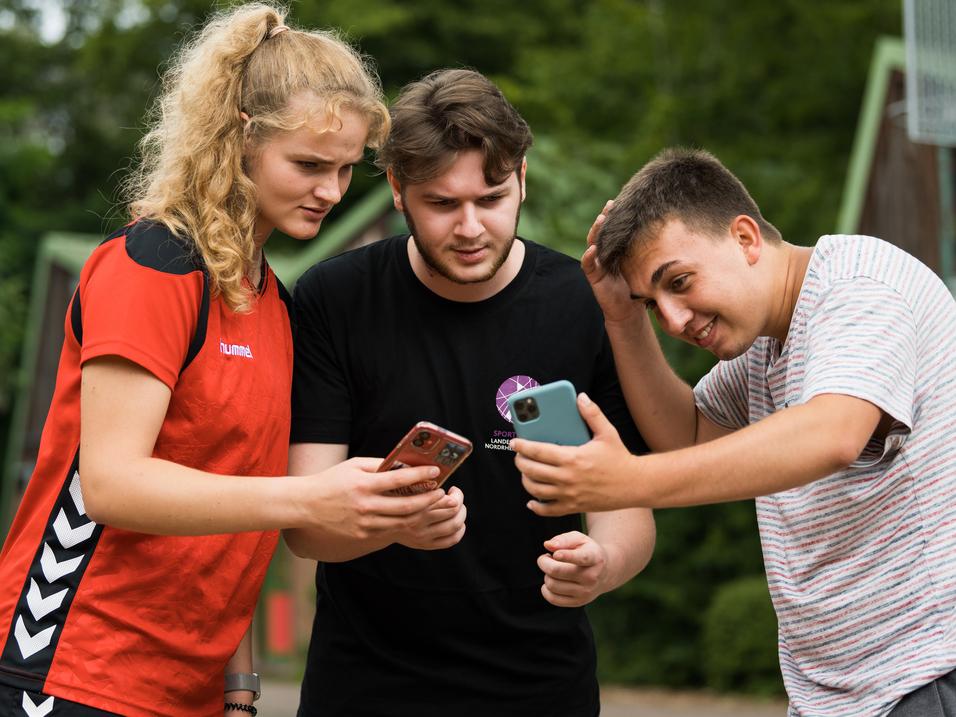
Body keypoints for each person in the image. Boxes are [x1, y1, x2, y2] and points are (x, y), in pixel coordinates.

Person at [0, 5, 449, 716]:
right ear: (239, 137)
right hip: (75, 671)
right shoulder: (154, 264)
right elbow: (112, 483)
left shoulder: (271, 299)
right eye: (307, 164)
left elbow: (228, 506)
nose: (331, 191)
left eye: (344, 169)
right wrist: (311, 496)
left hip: (194, 694)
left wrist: (237, 689)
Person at [512, 147, 956, 716]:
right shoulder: (766, 347)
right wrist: (622, 319)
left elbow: (832, 433)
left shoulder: (861, 286)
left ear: (745, 238)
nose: (672, 321)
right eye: (653, 304)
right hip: (837, 696)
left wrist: (624, 483)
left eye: (679, 281)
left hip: (924, 678)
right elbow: (689, 436)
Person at [285, 68, 656, 717]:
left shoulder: (585, 303)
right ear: (398, 191)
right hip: (367, 689)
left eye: (490, 197)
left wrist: (603, 562)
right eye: (442, 203)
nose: (470, 226)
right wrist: (392, 523)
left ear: (522, 178)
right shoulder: (333, 299)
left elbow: (630, 508)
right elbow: (306, 527)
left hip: (542, 690)